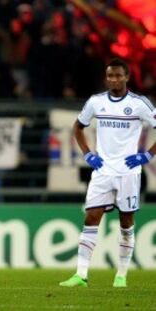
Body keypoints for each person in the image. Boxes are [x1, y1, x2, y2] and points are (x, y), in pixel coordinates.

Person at [60, 58, 156, 288]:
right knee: (91, 218)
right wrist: (87, 154)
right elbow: (78, 127)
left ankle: (121, 275)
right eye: (110, 75)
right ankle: (81, 275)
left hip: (128, 173)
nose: (113, 79)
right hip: (102, 171)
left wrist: (147, 155)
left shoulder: (139, 104)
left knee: (126, 223)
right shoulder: (96, 102)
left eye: (118, 75)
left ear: (127, 77)